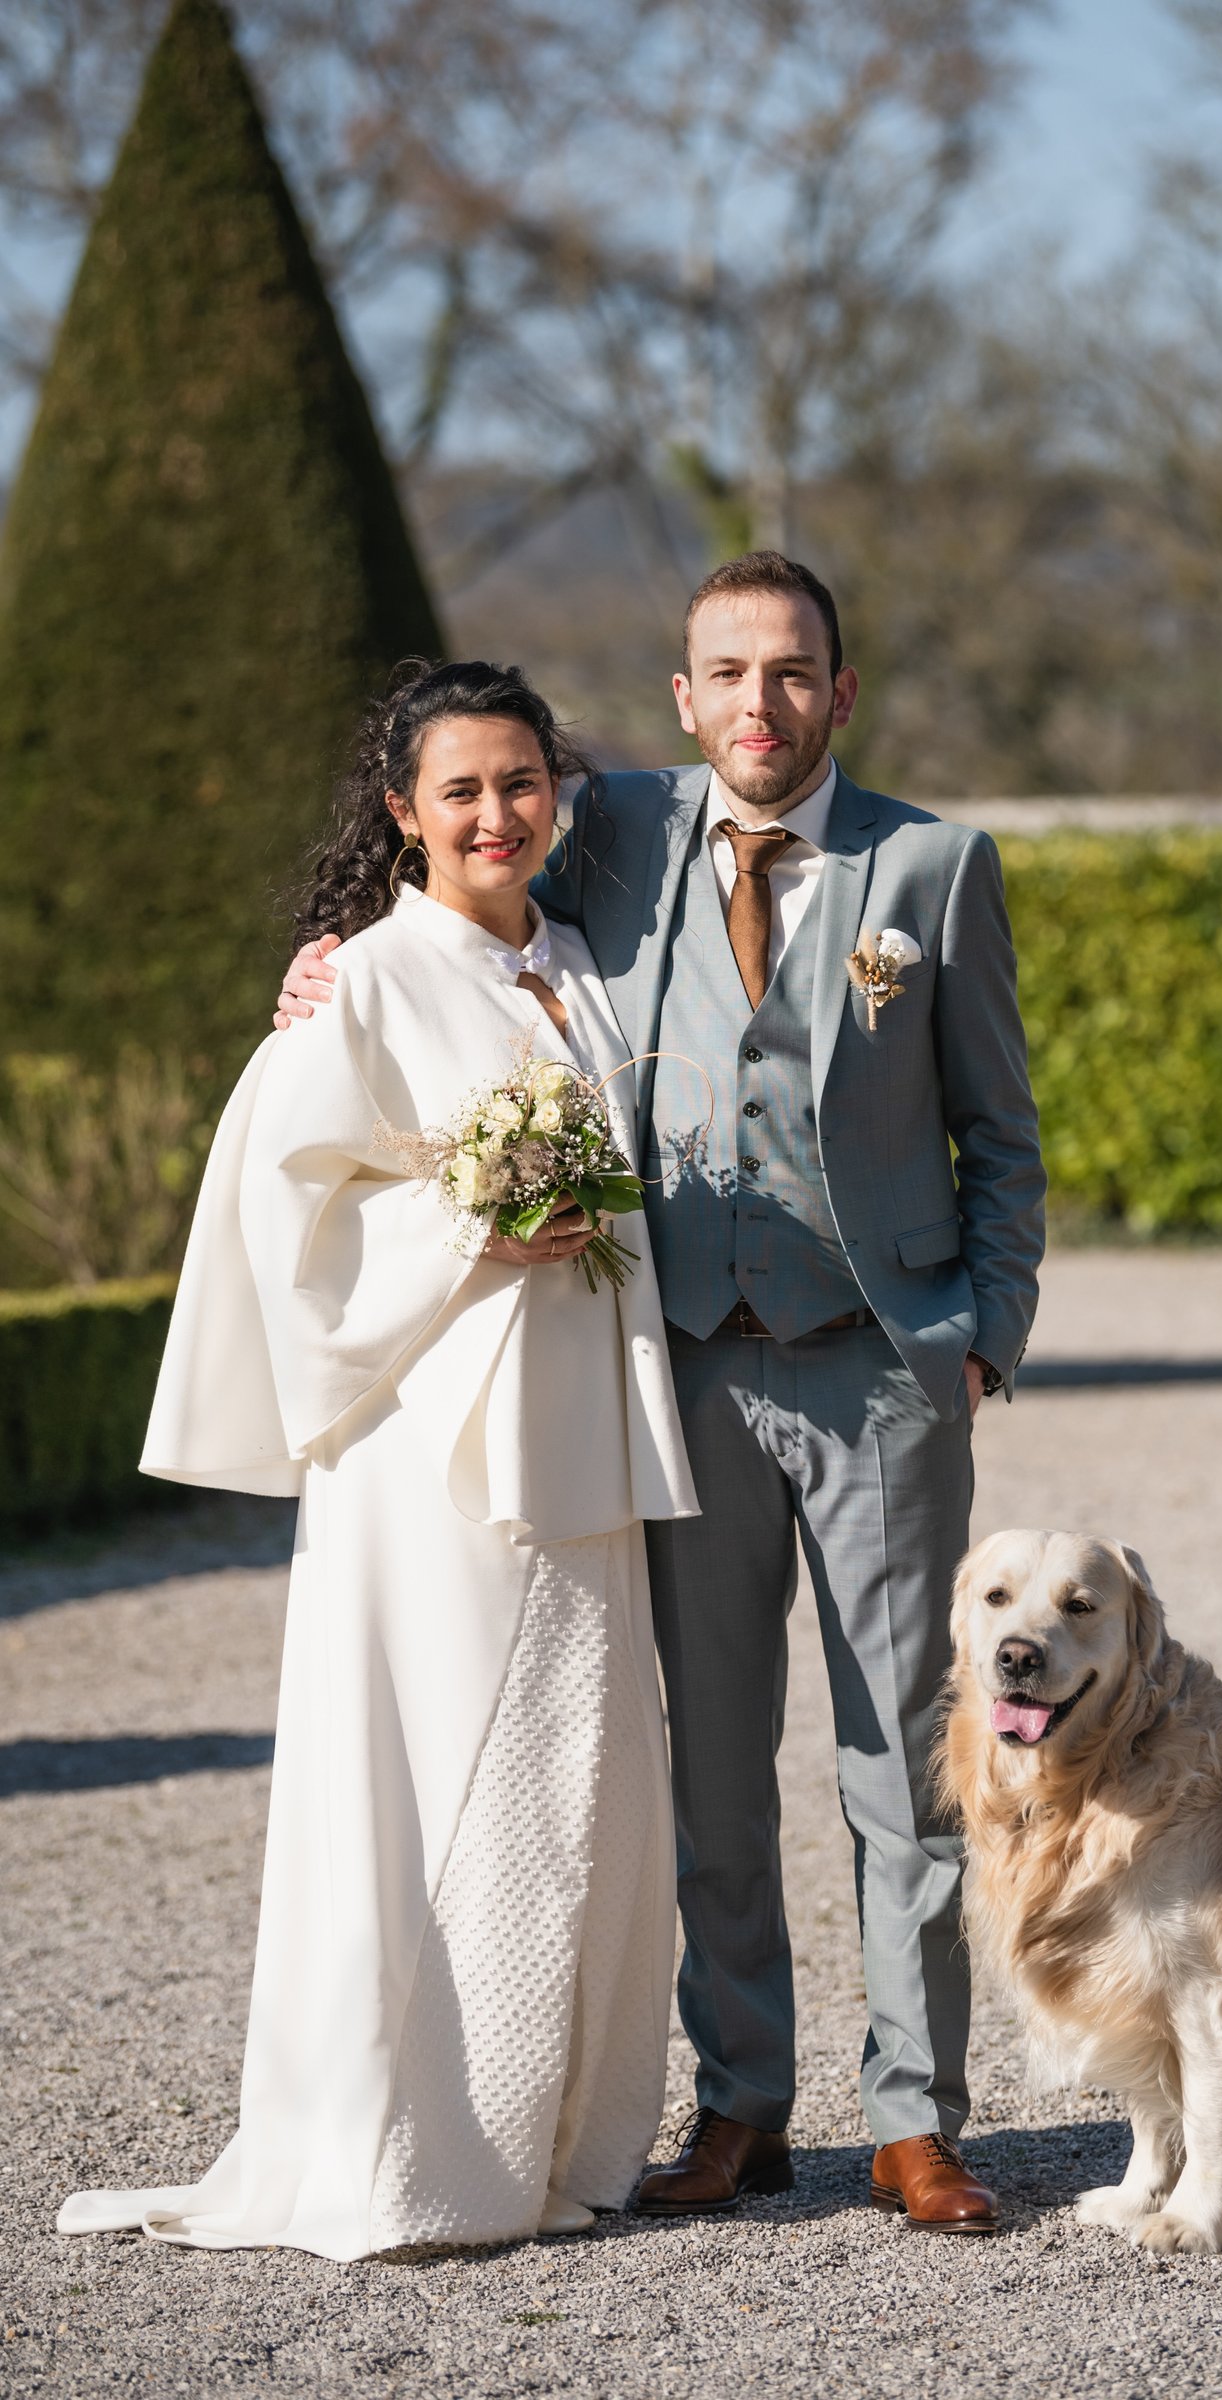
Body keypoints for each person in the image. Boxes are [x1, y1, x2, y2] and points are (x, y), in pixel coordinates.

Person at [280, 555, 1048, 2234]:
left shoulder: (931, 862)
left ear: (840, 694)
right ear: (681, 700)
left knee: (899, 1764)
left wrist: (985, 1330)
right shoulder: (607, 827)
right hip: (685, 1368)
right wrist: (327, 967)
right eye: (726, 674)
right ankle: (747, 2110)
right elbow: (457, 861)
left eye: (792, 673)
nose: (759, 703)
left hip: (881, 1375)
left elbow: (1000, 1124)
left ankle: (918, 2120)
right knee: (709, 1763)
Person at [59, 662, 697, 2262]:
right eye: (461, 790)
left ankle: (562, 2132)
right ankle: (422, 2152)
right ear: (402, 811)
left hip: (583, 1442)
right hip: (435, 1459)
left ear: (560, 790)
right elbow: (290, 1217)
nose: (496, 814)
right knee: (436, 1768)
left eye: (522, 781)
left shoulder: (572, 968)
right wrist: (479, 1213)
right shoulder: (361, 983)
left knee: (587, 1777)